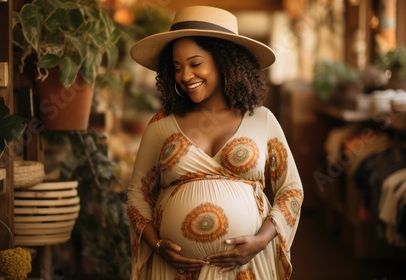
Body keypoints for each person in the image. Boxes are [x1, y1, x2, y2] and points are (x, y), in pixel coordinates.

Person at [127, 5, 303, 280]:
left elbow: (290, 191)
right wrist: (157, 245)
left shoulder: (262, 120)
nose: (185, 76)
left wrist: (260, 242)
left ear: (224, 62)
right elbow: (138, 195)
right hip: (174, 271)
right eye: (177, 68)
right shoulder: (162, 124)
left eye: (195, 64)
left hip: (247, 269)